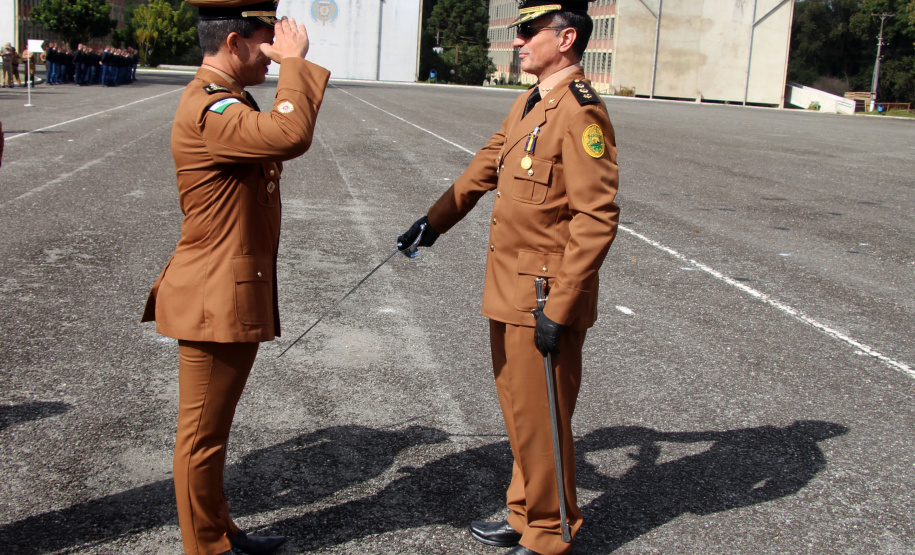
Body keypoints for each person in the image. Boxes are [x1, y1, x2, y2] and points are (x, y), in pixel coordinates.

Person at [396, 1, 619, 554]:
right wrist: (434, 221)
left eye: (528, 32)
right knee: (522, 413)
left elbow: (597, 217)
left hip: (545, 296)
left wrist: (561, 308)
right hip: (510, 287)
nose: (518, 42)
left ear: (565, 38)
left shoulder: (581, 112)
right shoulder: (530, 101)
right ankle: (525, 513)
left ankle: (550, 535)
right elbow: (485, 164)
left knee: (543, 416)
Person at [140, 0, 330, 552]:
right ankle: (206, 548)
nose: (272, 53)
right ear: (233, 44)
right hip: (211, 295)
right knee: (200, 437)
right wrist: (297, 63)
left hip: (224, 290)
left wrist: (287, 64)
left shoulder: (228, 101)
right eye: (265, 42)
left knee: (212, 433)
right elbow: (289, 134)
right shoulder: (210, 109)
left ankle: (220, 532)